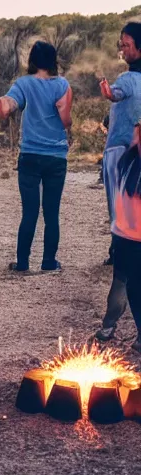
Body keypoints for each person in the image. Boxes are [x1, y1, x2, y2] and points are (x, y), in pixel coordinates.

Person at [0, 41, 73, 273]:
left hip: (30, 155)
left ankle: (22, 263)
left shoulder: (23, 84)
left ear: (32, 60)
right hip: (56, 157)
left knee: (29, 211)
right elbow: (66, 121)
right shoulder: (63, 85)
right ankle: (49, 262)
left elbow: (9, 104)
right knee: (51, 212)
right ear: (53, 61)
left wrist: (4, 105)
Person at [95, 22, 141, 342]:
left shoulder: (127, 79)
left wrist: (109, 93)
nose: (122, 49)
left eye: (126, 45)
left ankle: (110, 326)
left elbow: (118, 92)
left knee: (126, 266)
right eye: (120, 44)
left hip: (124, 167)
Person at [105, 122, 141, 353]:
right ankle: (111, 325)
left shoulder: (126, 161)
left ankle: (109, 326)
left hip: (126, 235)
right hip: (128, 237)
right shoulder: (127, 162)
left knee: (129, 285)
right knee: (130, 287)